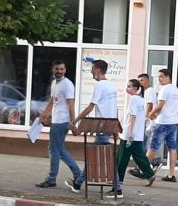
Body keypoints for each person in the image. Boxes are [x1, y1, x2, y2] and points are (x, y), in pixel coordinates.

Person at [71, 59, 121, 197]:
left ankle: (118, 189)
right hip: (109, 126)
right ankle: (78, 183)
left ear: (98, 70)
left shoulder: (100, 86)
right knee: (94, 157)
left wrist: (75, 120)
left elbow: (90, 107)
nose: (91, 71)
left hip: (102, 126)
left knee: (105, 159)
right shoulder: (111, 85)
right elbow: (113, 108)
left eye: (92, 69)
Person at [36, 60, 82, 189]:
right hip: (57, 120)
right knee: (60, 149)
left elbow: (71, 104)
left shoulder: (67, 84)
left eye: (62, 69)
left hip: (62, 121)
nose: (59, 71)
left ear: (65, 70)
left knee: (53, 149)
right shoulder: (54, 83)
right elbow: (52, 101)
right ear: (53, 69)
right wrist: (44, 114)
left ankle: (51, 179)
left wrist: (73, 123)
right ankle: (78, 174)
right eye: (57, 69)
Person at [144, 68, 178, 183]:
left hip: (163, 122)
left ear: (168, 77)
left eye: (161, 76)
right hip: (173, 122)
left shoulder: (164, 89)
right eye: (158, 77)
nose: (159, 79)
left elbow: (160, 106)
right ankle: (171, 174)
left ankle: (144, 170)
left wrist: (151, 114)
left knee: (152, 146)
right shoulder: (175, 89)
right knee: (172, 148)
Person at [117, 79, 156, 187]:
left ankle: (118, 180)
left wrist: (129, 135)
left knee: (122, 158)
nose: (127, 88)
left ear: (135, 88)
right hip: (138, 135)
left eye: (129, 86)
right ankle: (149, 174)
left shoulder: (133, 99)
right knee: (139, 156)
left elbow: (132, 117)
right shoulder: (141, 100)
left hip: (129, 135)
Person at [137, 72, 159, 167]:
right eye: (139, 81)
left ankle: (148, 163)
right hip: (144, 122)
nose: (140, 83)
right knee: (144, 144)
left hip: (147, 122)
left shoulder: (150, 90)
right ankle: (149, 163)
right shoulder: (144, 92)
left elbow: (149, 105)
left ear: (147, 80)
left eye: (142, 80)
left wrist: (145, 118)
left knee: (143, 144)